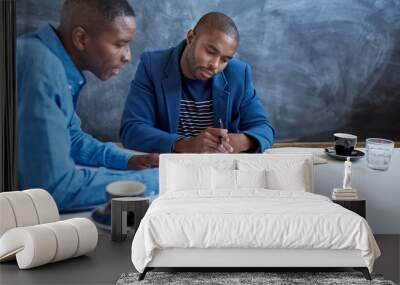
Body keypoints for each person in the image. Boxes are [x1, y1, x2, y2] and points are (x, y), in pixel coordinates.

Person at [17, 0, 158, 211]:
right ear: (81, 38)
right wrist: (153, 182)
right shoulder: (42, 68)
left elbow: (70, 137)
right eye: (119, 44)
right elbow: (53, 190)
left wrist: (129, 162)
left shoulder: (50, 59)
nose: (127, 56)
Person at [120, 12, 275, 154]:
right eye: (210, 52)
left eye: (224, 59)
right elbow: (131, 130)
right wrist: (186, 144)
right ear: (191, 38)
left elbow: (265, 129)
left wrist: (240, 141)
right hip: (168, 169)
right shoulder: (152, 66)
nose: (215, 64)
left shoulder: (239, 74)